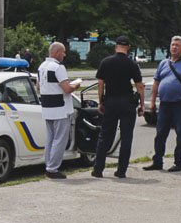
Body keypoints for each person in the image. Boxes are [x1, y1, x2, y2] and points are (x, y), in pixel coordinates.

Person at [91, 35, 145, 179]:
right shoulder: (132, 64)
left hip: (111, 102)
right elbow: (140, 86)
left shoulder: (106, 62)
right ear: (128, 47)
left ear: (116, 46)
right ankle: (121, 171)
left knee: (105, 136)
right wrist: (141, 105)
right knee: (126, 137)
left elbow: (101, 84)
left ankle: (98, 169)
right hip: (127, 103)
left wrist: (101, 102)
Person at [142, 36, 181, 173]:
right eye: (173, 45)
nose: (174, 47)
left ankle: (179, 162)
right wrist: (153, 101)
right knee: (160, 133)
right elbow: (156, 82)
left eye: (178, 45)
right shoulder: (164, 63)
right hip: (164, 104)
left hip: (180, 103)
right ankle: (157, 161)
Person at [36, 42, 82, 179]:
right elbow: (66, 89)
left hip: (47, 108)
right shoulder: (58, 68)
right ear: (56, 53)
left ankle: (48, 165)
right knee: (60, 139)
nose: (65, 54)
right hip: (60, 109)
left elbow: (39, 87)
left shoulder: (41, 67)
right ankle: (53, 168)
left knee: (50, 139)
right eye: (63, 52)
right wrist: (76, 85)